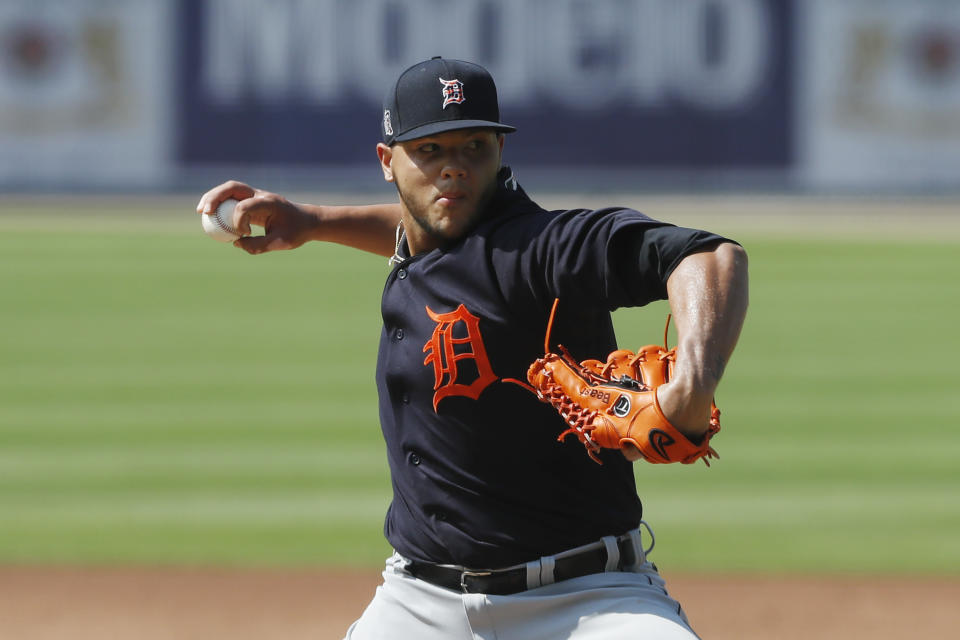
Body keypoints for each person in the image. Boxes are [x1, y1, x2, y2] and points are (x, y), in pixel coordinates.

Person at [197, 57, 748, 640]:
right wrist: (312, 221)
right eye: (430, 152)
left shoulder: (545, 248)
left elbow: (710, 257)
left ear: (499, 154)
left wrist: (693, 382)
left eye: (473, 148)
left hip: (589, 599)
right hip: (419, 603)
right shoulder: (427, 240)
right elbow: (420, 230)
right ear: (388, 162)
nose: (453, 170)